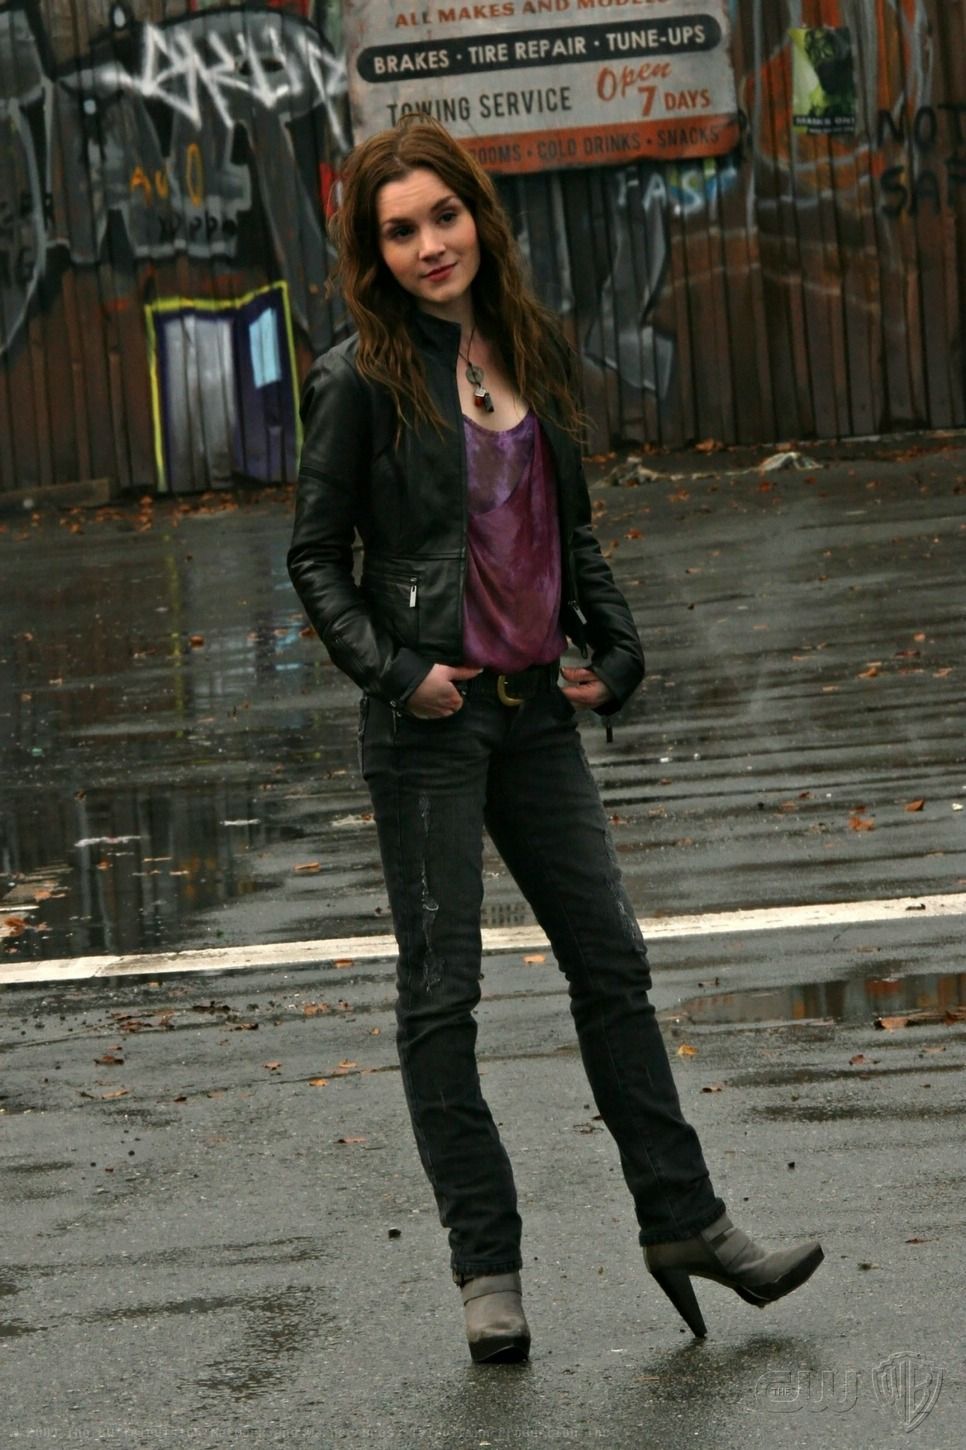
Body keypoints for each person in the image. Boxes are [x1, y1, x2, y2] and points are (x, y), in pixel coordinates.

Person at [287, 116, 823, 1364]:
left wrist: (618, 650)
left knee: (613, 965)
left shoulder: (529, 346)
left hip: (535, 717)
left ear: (478, 215)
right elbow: (315, 558)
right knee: (444, 998)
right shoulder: (358, 378)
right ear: (375, 253)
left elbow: (566, 528)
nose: (430, 245)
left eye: (444, 216)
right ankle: (488, 1268)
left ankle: (685, 1222)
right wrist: (400, 672)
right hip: (431, 721)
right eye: (401, 230)